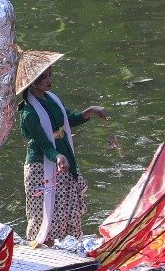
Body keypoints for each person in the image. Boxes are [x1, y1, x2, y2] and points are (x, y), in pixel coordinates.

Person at [15, 49, 110, 245]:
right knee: (44, 213)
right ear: (32, 82)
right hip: (41, 166)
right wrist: (57, 156)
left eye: (50, 74)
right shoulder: (29, 112)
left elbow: (68, 119)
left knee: (65, 209)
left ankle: (67, 247)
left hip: (62, 157)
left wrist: (90, 111)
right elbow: (43, 144)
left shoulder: (52, 99)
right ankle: (44, 251)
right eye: (43, 77)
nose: (49, 80)